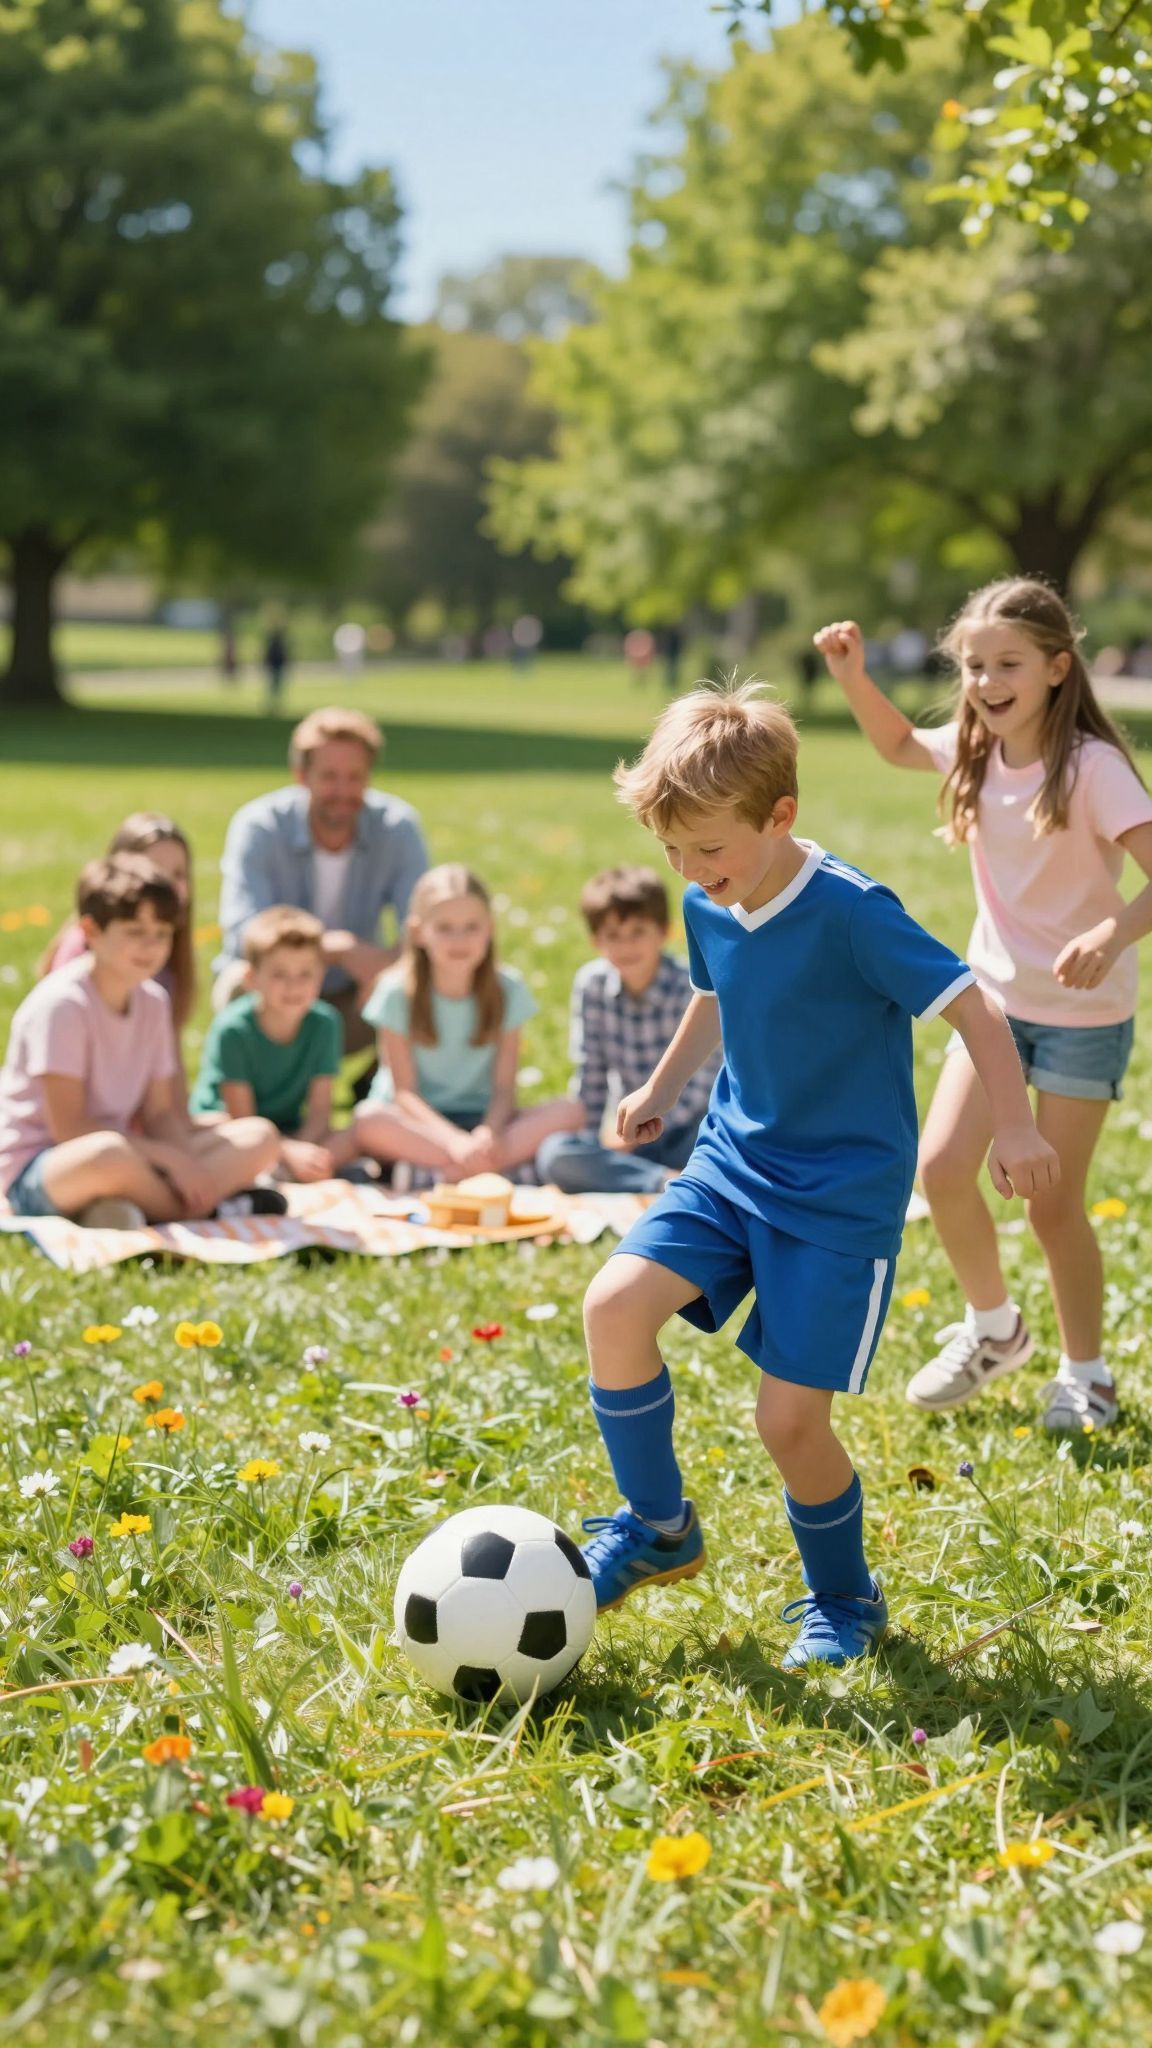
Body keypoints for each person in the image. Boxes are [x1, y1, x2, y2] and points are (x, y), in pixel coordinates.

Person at [573, 683, 1056, 1667]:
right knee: (614, 1307)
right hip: (732, 1161)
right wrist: (663, 1087)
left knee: (787, 1419)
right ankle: (660, 1527)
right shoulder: (709, 893)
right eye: (674, 851)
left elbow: (975, 1010)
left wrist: (1012, 1124)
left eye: (708, 848)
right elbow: (713, 990)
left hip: (837, 1197)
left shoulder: (852, 911)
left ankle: (843, 1596)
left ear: (780, 813)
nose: (692, 871)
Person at [816, 579, 1152, 1434]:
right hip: (993, 1004)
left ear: (1055, 668)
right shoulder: (973, 748)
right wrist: (852, 674)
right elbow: (896, 745)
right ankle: (995, 1330)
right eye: (971, 665)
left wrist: (1112, 935)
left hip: (1084, 1016)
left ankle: (1088, 1376)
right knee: (940, 1170)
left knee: (1051, 1202)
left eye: (1006, 664)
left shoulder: (1093, 768)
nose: (985, 680)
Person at [0, 857, 283, 1229]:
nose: (150, 946)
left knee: (259, 1135)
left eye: (162, 933)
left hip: (131, 1151)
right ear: (91, 931)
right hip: (43, 1167)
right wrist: (168, 1159)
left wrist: (185, 1162)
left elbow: (159, 1113)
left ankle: (132, 1208)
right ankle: (199, 1209)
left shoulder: (152, 1001)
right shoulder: (62, 1005)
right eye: (134, 931)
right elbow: (69, 1128)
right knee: (107, 1155)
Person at [215, 707, 428, 1055]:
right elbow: (242, 935)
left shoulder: (398, 829)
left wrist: (387, 964)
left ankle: (386, 1088)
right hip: (274, 993)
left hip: (356, 997)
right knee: (237, 982)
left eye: (355, 776)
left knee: (434, 977)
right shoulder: (260, 827)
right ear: (301, 776)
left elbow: (424, 932)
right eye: (329, 776)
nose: (343, 790)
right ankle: (257, 1093)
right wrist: (336, 948)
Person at [350, 864, 583, 1182]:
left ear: (489, 929)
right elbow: (405, 1094)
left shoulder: (507, 989)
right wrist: (453, 1141)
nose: (459, 939)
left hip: (482, 1119)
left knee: (570, 1112)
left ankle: (440, 1173)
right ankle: (491, 1169)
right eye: (445, 928)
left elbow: (504, 1087)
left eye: (471, 927)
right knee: (368, 1120)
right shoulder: (395, 991)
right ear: (418, 932)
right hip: (418, 1125)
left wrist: (488, 1131)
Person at [536, 865, 721, 1194]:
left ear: (664, 931)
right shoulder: (591, 985)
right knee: (555, 1155)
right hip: (629, 1136)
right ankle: (664, 1182)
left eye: (638, 932)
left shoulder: (691, 989)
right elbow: (591, 1074)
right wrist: (596, 1141)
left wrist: (641, 1126)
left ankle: (668, 1177)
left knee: (723, 1146)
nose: (626, 945)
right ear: (596, 940)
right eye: (613, 936)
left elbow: (700, 1082)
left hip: (687, 1129)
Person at [191, 908, 343, 1182]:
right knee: (230, 1143)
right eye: (279, 974)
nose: (293, 986)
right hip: (229, 1128)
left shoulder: (325, 1024)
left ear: (321, 976)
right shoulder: (233, 1030)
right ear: (252, 978)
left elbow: (320, 1111)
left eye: (305, 974)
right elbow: (242, 1118)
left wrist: (303, 1150)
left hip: (286, 1128)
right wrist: (287, 1151)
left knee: (349, 1136)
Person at [264, 621, 289, 706]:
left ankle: (274, 703)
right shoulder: (274, 645)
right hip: (275, 666)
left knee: (275, 686)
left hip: (277, 666)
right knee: (273, 686)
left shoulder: (275, 644)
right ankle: (271, 703)